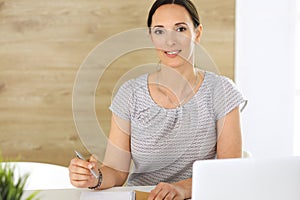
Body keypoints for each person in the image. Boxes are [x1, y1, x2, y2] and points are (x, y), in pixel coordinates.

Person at [69, 0, 245, 199]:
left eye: (180, 29)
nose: (170, 41)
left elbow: (228, 171)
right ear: (151, 36)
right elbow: (116, 172)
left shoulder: (221, 91)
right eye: (160, 31)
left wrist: (183, 189)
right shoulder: (130, 94)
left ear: (197, 33)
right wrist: (95, 178)